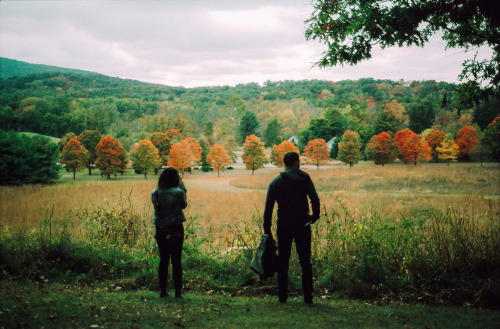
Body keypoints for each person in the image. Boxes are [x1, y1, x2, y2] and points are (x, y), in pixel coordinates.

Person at [263, 151, 320, 304]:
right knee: (305, 261)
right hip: (302, 224)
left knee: (283, 261)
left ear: (285, 163)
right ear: (295, 163)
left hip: (284, 225)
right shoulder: (305, 178)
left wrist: (267, 231)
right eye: (299, 162)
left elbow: (268, 209)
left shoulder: (275, 182)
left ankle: (283, 297)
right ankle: (308, 297)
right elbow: (315, 198)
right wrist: (314, 216)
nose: (299, 164)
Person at [152, 167, 187, 298]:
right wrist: (183, 187)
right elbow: (184, 205)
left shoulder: (155, 193)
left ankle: (163, 291)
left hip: (161, 229)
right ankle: (178, 291)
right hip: (176, 229)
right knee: (176, 260)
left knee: (164, 259)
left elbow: (157, 212)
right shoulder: (178, 192)